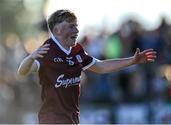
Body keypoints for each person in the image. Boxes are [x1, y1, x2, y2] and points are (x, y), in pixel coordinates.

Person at [17, 9, 157, 124]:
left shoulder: (77, 50)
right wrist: (30, 57)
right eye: (71, 26)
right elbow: (22, 71)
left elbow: (101, 67)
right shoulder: (47, 51)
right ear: (58, 30)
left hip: (72, 119)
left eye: (76, 26)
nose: (77, 30)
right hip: (51, 120)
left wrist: (132, 61)